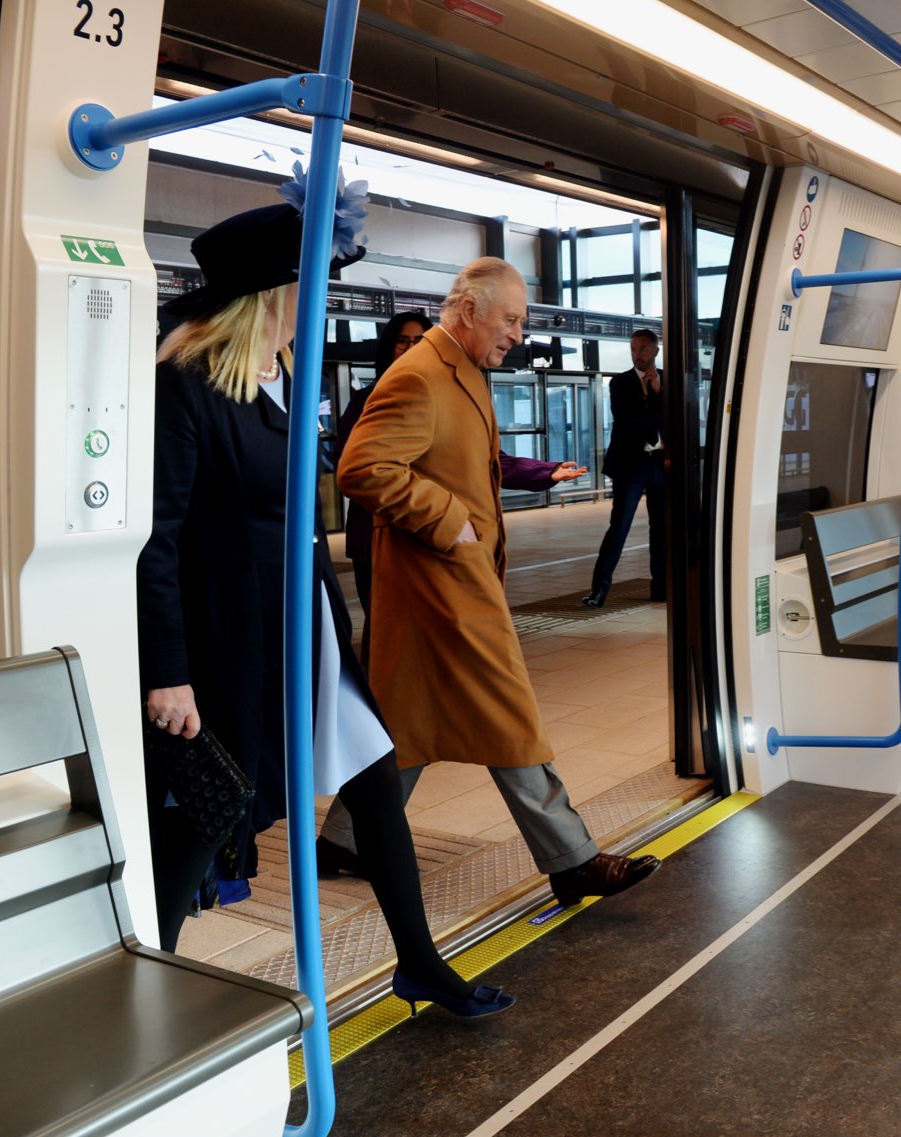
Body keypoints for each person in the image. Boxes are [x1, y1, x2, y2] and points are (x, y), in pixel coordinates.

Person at [136, 180, 512, 1018]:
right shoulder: (191, 385)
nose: (324, 296)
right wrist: (169, 672)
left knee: (375, 785)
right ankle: (140, 994)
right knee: (204, 820)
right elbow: (157, 540)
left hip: (306, 632)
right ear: (277, 292)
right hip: (236, 641)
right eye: (313, 281)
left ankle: (419, 962)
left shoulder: (283, 379)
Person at [328, 256, 660, 908]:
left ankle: (343, 838)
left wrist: (527, 480)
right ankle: (572, 860)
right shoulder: (419, 375)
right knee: (511, 716)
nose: (518, 333)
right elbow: (360, 467)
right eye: (510, 318)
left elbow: (475, 460)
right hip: (441, 589)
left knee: (405, 728)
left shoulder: (465, 372)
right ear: (470, 309)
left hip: (448, 588)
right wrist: (450, 520)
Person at [337, 309, 587, 613]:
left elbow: (487, 459)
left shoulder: (453, 397)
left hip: (432, 540)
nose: (411, 348)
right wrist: (446, 518)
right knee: (385, 636)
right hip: (383, 538)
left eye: (419, 340)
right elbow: (357, 468)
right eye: (402, 341)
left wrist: (546, 471)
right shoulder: (366, 400)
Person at [582, 328, 667, 608]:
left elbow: (679, 417)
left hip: (661, 464)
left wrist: (659, 396)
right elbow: (632, 420)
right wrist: (658, 399)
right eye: (632, 349)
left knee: (662, 530)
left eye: (642, 349)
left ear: (655, 350)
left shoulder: (669, 379)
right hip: (630, 466)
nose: (636, 354)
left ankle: (661, 589)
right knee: (618, 527)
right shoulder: (619, 384)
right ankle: (599, 590)